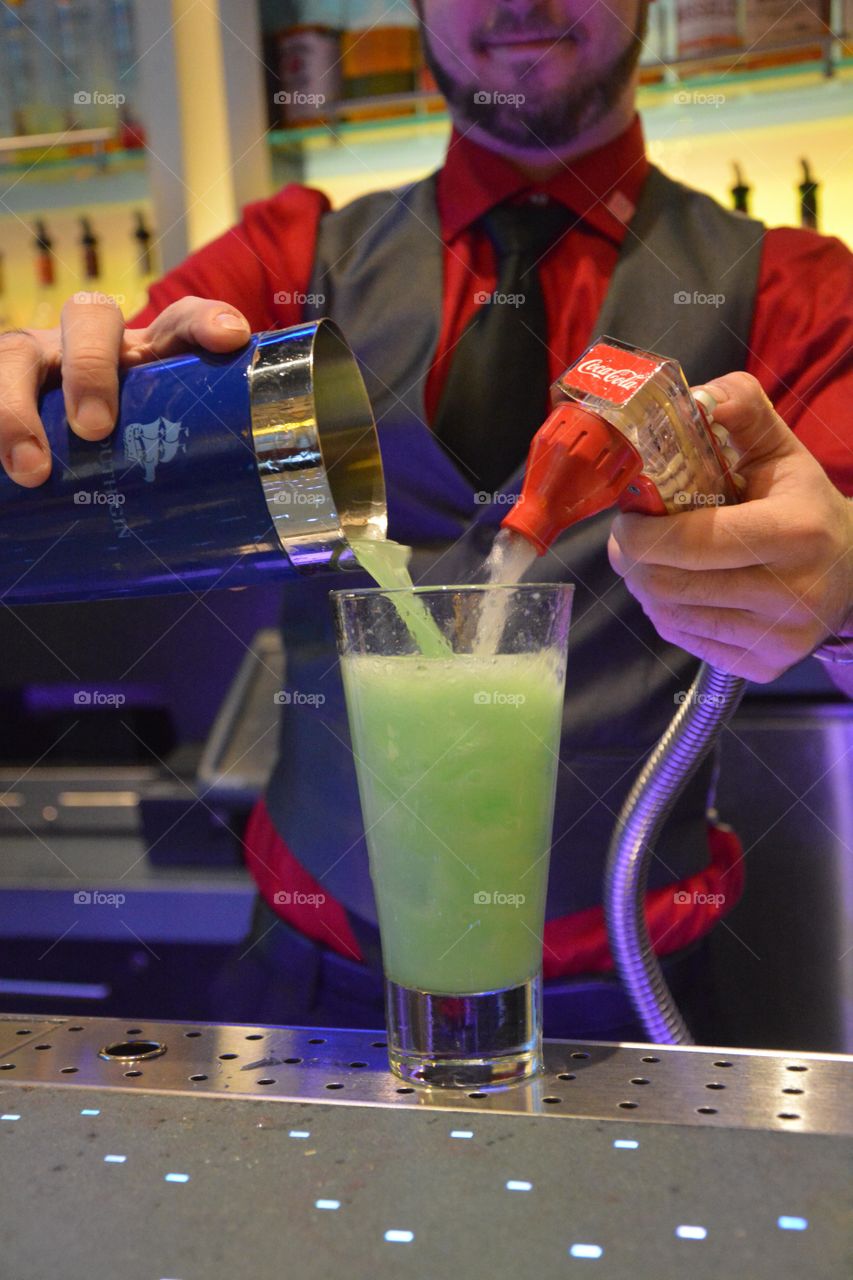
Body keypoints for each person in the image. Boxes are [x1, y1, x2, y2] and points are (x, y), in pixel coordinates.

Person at [1, 0, 851, 1040]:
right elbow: (105, 420)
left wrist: (842, 591)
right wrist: (62, 395)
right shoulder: (287, 257)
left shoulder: (801, 293)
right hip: (309, 988)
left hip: (627, 996)